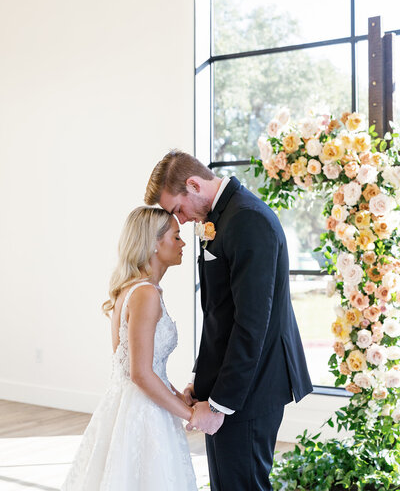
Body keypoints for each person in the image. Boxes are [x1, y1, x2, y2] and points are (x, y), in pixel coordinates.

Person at [145, 151, 313, 491]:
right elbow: (219, 316)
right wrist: (203, 382)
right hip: (230, 386)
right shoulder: (226, 217)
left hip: (250, 387)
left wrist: (220, 403)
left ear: (193, 185)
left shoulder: (248, 219)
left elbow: (252, 324)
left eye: (177, 209)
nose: (181, 220)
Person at [61, 206, 197, 491]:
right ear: (154, 244)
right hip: (143, 413)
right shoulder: (145, 294)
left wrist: (179, 399)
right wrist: (191, 416)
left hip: (132, 405)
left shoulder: (133, 290)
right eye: (176, 237)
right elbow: (140, 374)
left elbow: (144, 368)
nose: (183, 243)